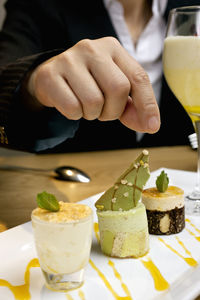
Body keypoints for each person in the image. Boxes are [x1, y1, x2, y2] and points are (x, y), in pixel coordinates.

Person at [0, 0, 196, 153]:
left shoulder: (190, 6)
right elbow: (5, 82)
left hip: (178, 185)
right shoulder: (39, 5)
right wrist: (33, 84)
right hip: (78, 192)